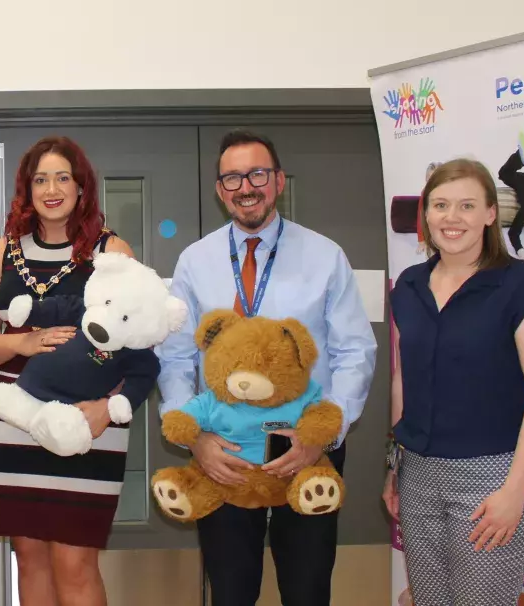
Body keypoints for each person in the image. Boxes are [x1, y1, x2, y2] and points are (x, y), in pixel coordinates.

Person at [155, 130, 377, 606]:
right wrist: (196, 438)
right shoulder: (195, 261)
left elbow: (355, 350)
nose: (245, 187)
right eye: (232, 177)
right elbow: (174, 356)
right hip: (225, 446)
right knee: (231, 591)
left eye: (256, 174)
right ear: (220, 189)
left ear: (278, 181)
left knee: (308, 587)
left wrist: (322, 434)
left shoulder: (325, 256)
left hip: (304, 446)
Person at [382, 159, 524, 605]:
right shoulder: (408, 286)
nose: (452, 217)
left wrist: (514, 493)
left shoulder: (522, 285)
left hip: (494, 479)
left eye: (467, 205)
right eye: (440, 205)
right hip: (419, 477)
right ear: (425, 214)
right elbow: (403, 379)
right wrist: (394, 466)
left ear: (489, 214)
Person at [0, 135, 135, 606]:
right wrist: (24, 341)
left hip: (88, 419)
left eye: (63, 177)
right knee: (29, 555)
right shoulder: (3, 252)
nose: (52, 188)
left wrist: (108, 407)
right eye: (41, 179)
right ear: (27, 189)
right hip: (17, 418)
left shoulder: (111, 248)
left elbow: (137, 338)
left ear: (82, 188)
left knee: (75, 561)